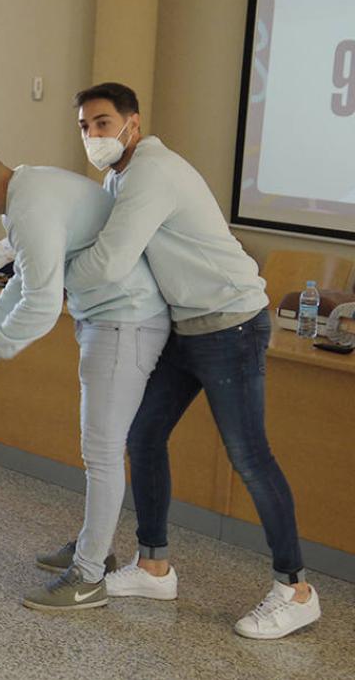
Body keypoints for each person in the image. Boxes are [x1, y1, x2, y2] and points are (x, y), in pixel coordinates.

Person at [63, 82, 320, 638]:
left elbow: (109, 261)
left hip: (231, 323)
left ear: (133, 122)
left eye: (103, 123)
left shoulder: (152, 172)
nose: (93, 136)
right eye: (84, 126)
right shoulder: (119, 176)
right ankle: (154, 566)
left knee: (249, 456)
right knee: (144, 435)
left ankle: (296, 590)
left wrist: (48, 282)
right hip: (187, 325)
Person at [0, 136, 169, 611]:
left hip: (127, 320)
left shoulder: (29, 208)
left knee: (100, 453)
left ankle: (89, 575)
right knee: (98, 449)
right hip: (113, 316)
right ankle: (90, 547)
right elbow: (29, 278)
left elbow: (41, 305)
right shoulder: (30, 188)